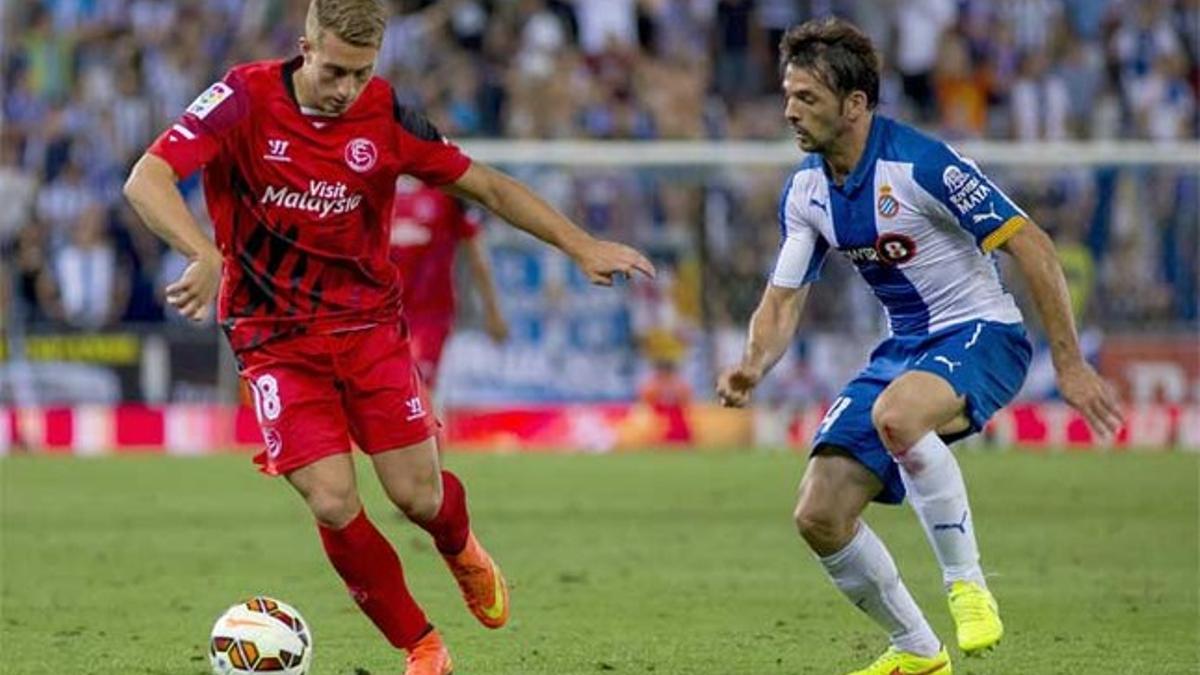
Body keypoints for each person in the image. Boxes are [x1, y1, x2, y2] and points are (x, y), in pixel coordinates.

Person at [122, 2, 654, 674]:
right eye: (336, 71)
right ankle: (422, 645)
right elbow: (147, 177)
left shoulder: (388, 114)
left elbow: (486, 186)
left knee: (418, 496)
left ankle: (458, 544)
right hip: (273, 338)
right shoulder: (243, 96)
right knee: (333, 498)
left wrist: (581, 245)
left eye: (362, 72)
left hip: (368, 327)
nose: (347, 88)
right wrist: (201, 250)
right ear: (304, 47)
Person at [716, 17, 1122, 675]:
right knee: (819, 513)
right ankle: (917, 648)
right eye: (787, 96)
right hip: (904, 351)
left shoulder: (923, 164)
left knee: (899, 415)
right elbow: (784, 297)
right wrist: (752, 363)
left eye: (807, 99)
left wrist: (1069, 362)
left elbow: (1033, 244)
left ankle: (968, 584)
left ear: (855, 104)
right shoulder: (808, 191)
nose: (790, 112)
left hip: (984, 335)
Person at [388, 175, 508, 393]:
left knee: (417, 390)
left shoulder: (447, 193)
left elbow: (478, 257)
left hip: (429, 315)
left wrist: (493, 313)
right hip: (380, 316)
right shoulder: (375, 190)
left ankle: (432, 425)